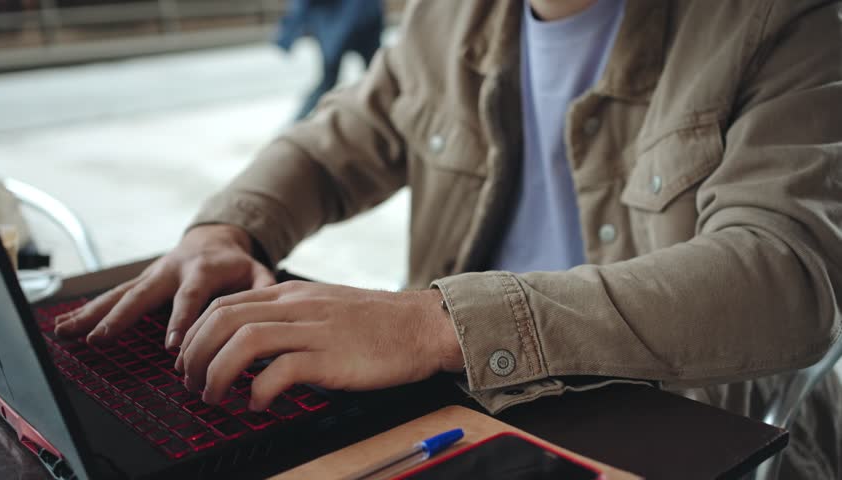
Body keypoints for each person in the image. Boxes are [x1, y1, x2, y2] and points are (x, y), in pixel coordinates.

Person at [55, 0, 842, 477]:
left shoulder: (786, 21)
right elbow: (342, 135)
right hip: (460, 404)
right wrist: (228, 227)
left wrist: (435, 324)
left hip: (664, 432)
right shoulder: (452, 14)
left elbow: (784, 276)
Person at [275, 0, 384, 120]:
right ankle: (296, 124)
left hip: (358, 24)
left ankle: (296, 124)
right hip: (340, 27)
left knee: (376, 77)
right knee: (330, 82)